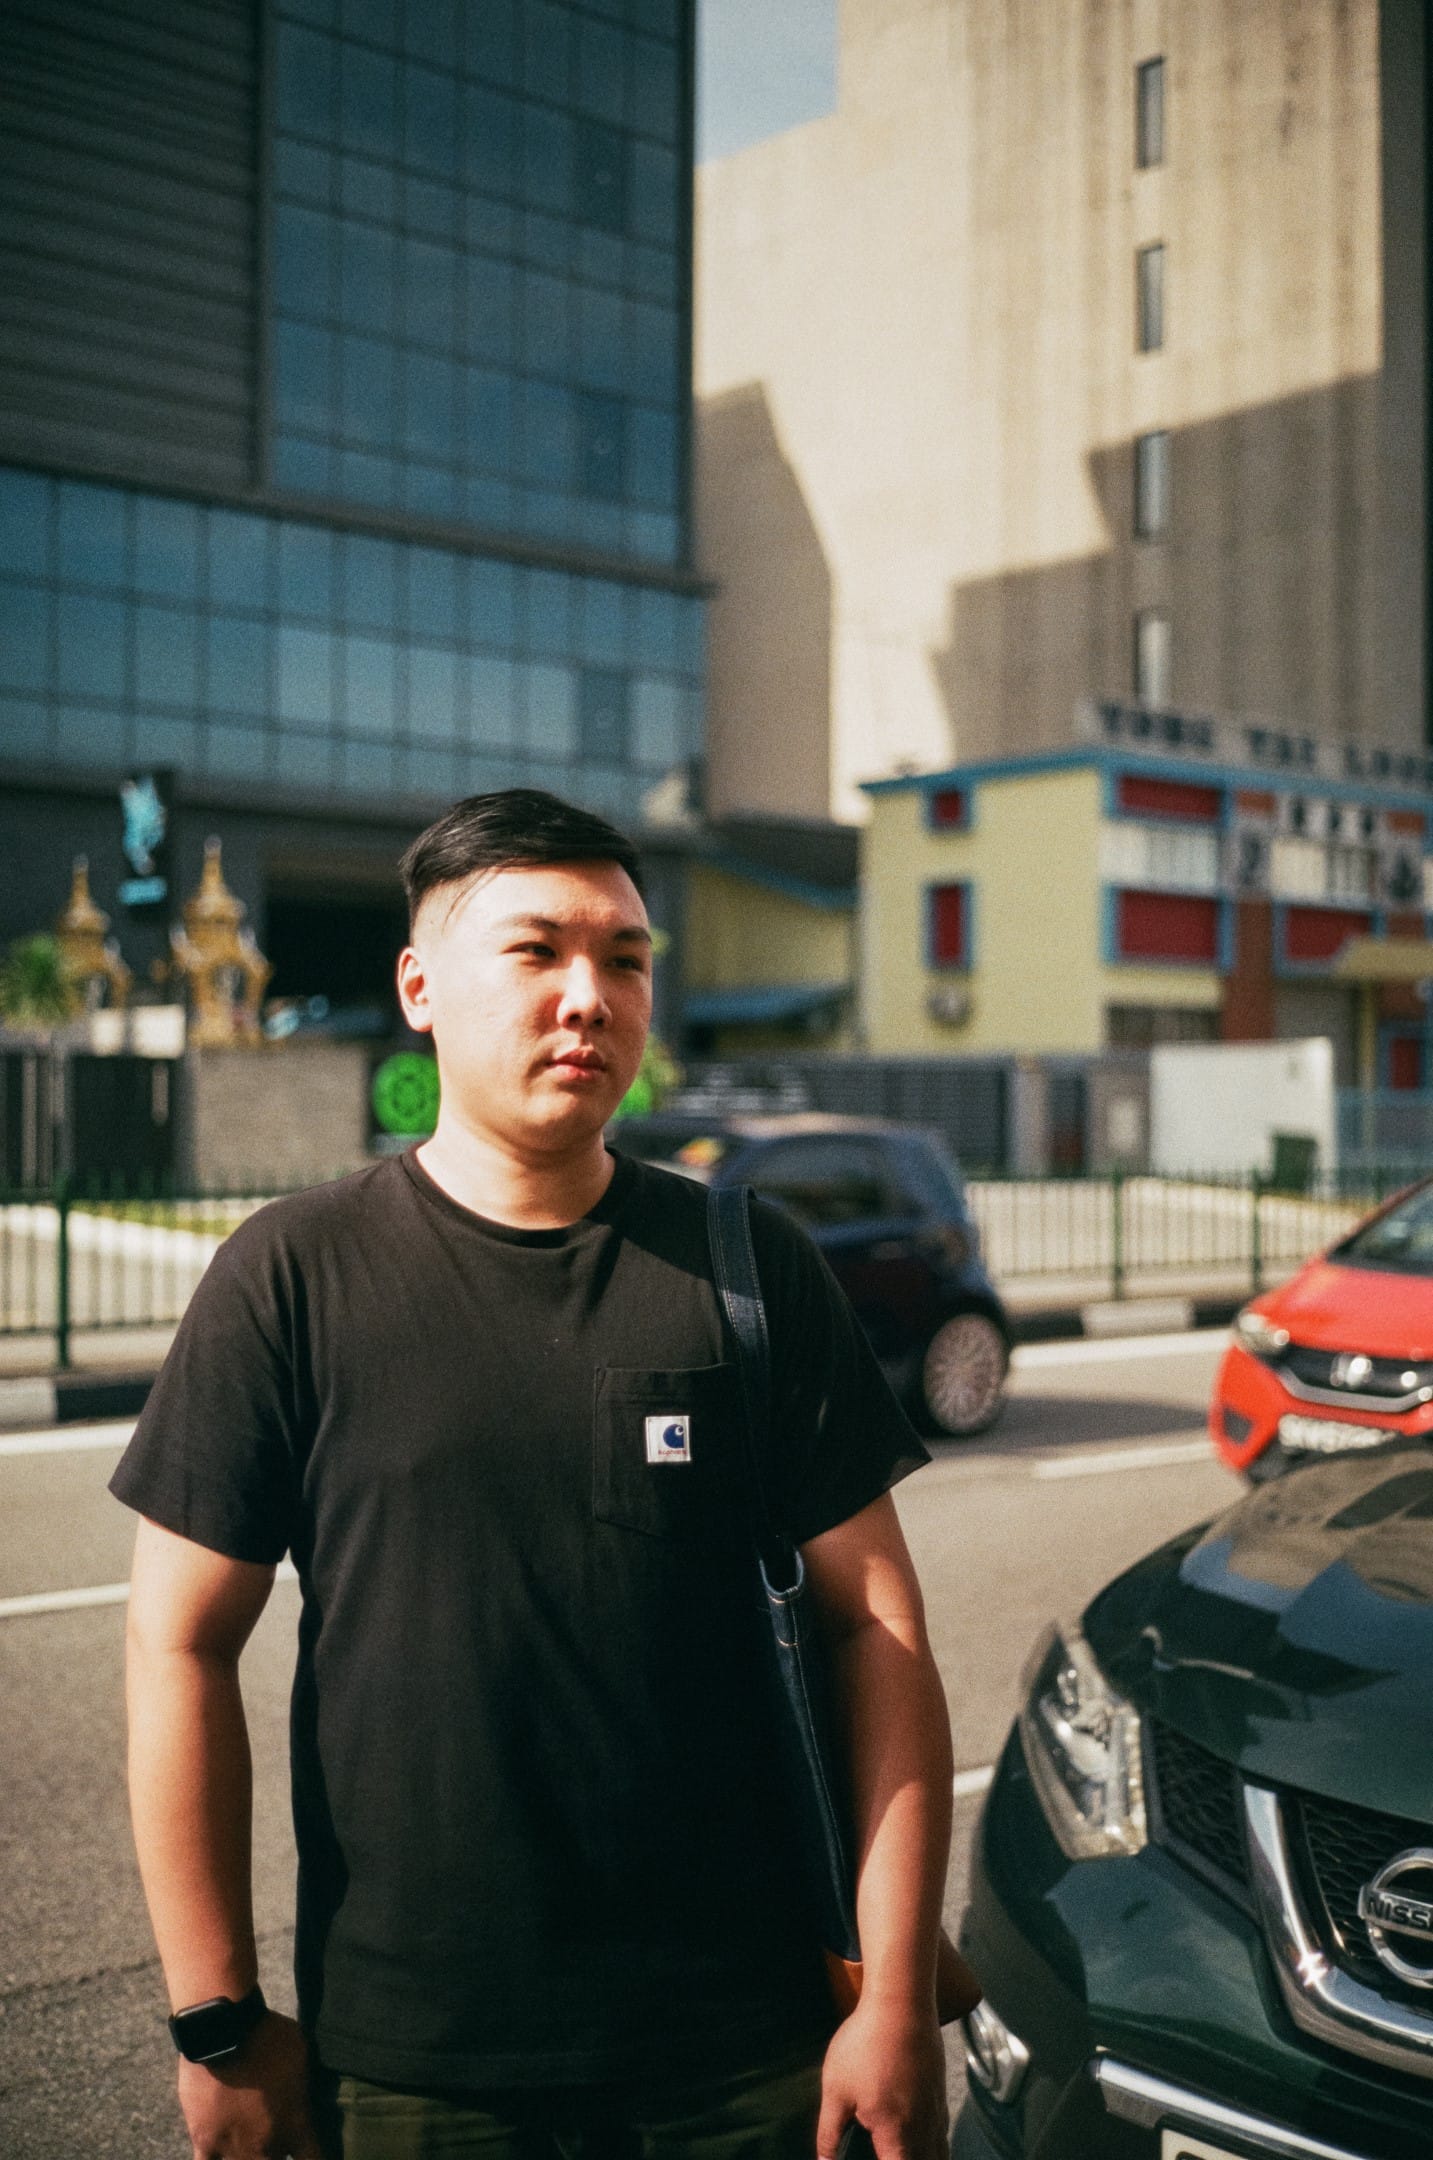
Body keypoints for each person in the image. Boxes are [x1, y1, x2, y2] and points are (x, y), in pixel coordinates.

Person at [113, 788, 954, 2160]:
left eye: (625, 958)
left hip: (747, 2054)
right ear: (419, 987)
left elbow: (878, 1629)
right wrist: (218, 2025)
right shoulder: (291, 1276)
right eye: (536, 950)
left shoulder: (749, 1269)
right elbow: (176, 1645)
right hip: (415, 2066)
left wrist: (897, 2000)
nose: (589, 996)